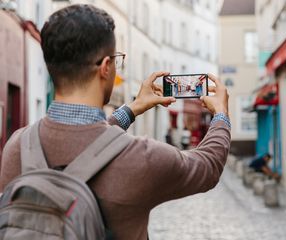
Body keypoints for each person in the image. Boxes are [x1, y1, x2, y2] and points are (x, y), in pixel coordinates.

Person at [0, 4, 230, 240]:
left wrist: (131, 108)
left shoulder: (17, 146)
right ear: (106, 67)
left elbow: (89, 142)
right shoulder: (141, 158)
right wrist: (221, 113)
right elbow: (208, 166)